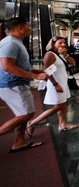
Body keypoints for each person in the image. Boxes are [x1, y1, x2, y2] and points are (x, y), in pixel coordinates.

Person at [0, 17, 48, 152]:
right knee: (26, 114)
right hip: (13, 84)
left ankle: (19, 142)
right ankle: (17, 141)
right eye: (28, 26)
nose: (30, 29)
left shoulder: (15, 42)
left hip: (17, 83)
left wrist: (36, 71)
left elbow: (17, 65)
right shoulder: (10, 43)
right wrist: (35, 76)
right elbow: (7, 67)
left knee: (23, 113)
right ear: (20, 28)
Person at [26, 37, 79, 135]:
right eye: (60, 43)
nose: (63, 44)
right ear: (53, 44)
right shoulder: (50, 55)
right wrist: (55, 84)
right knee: (59, 106)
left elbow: (73, 62)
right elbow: (47, 72)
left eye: (64, 43)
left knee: (64, 104)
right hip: (56, 84)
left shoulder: (60, 55)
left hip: (62, 82)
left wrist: (65, 55)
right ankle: (32, 123)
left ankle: (63, 125)